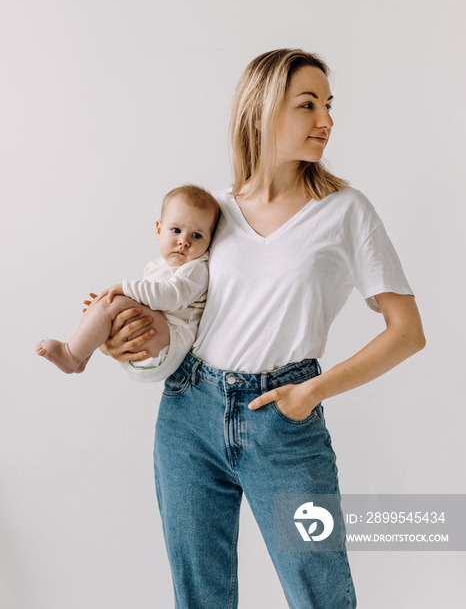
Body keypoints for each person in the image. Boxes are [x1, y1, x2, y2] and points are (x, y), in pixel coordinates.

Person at [98, 49, 426, 609]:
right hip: (188, 415)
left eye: (327, 105)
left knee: (321, 593)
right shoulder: (211, 215)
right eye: (307, 105)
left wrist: (313, 391)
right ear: (261, 112)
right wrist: (124, 341)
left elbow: (407, 331)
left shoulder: (345, 211)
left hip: (285, 422)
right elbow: (172, 310)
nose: (326, 120)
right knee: (200, 596)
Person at [36, 184, 220, 379]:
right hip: (150, 343)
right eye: (176, 230)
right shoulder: (155, 266)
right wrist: (105, 313)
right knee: (107, 304)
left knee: (114, 301)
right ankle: (82, 355)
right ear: (159, 230)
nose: (184, 241)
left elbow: (172, 296)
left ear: (210, 241)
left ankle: (70, 354)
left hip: (170, 344)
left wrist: (123, 289)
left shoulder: (197, 268)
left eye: (197, 235)